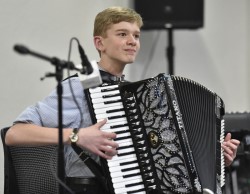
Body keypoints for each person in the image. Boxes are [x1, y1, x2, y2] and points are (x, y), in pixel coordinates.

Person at [5, 6, 240, 194]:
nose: (132, 41)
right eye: (122, 34)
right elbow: (14, 134)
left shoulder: (137, 94)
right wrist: (77, 136)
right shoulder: (78, 86)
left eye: (136, 35)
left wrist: (218, 159)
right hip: (88, 188)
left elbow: (164, 160)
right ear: (100, 43)